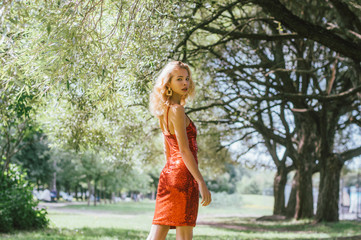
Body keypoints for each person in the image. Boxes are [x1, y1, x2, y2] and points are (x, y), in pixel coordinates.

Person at [147, 61, 212, 240]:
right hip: (183, 176)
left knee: (157, 232)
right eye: (179, 79)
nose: (185, 83)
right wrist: (201, 181)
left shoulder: (163, 111)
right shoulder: (177, 110)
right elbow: (184, 150)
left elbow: (168, 150)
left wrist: (171, 174)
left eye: (187, 79)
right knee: (184, 235)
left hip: (168, 175)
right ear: (168, 83)